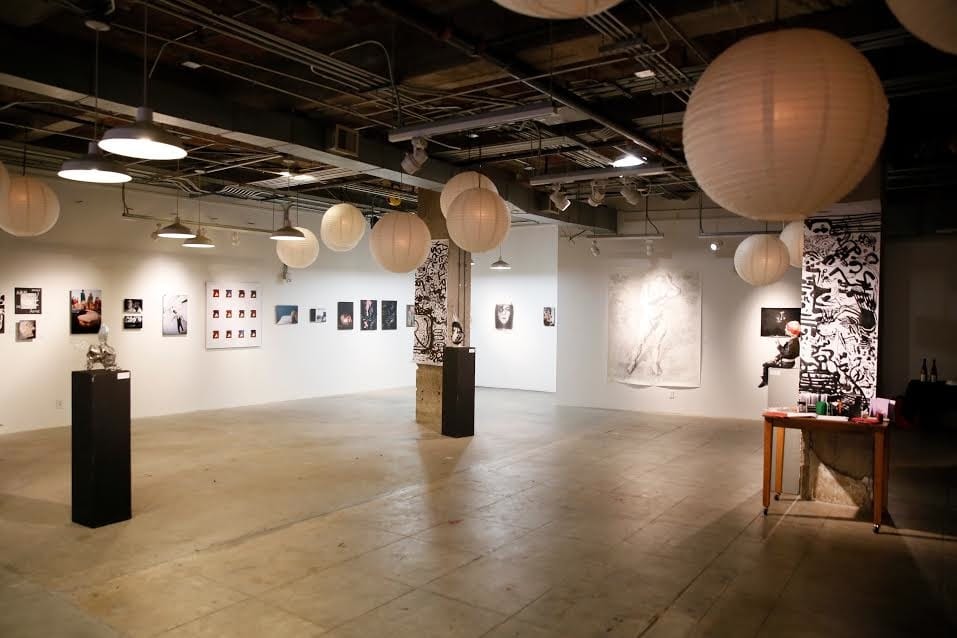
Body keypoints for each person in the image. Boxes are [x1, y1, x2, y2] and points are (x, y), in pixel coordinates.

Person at [759, 320, 801, 388]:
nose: (785, 329)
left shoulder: (793, 342)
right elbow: (788, 353)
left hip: (786, 364)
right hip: (788, 363)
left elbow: (786, 353)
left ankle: (765, 381)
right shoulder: (794, 341)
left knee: (766, 365)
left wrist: (778, 346)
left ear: (791, 331)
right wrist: (778, 357)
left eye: (786, 328)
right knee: (769, 363)